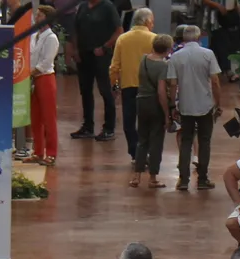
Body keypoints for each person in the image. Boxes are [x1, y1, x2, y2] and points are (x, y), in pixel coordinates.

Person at [165, 26, 222, 192]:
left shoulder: (175, 57)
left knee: (186, 141)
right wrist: (217, 103)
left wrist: (172, 105)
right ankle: (202, 179)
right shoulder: (208, 54)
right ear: (199, 38)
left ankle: (183, 180)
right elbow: (215, 81)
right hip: (205, 105)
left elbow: (173, 84)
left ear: (183, 39)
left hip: (185, 105)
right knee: (204, 142)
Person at [69, 0, 123, 141]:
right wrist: (75, 49)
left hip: (102, 55)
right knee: (85, 90)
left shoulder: (108, 7)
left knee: (106, 91)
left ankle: (109, 128)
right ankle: (88, 127)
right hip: (83, 54)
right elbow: (75, 29)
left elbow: (119, 31)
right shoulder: (82, 7)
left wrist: (105, 47)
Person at [109, 7, 156, 163]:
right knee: (148, 121)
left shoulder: (123, 39)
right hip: (149, 86)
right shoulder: (154, 39)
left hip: (128, 85)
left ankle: (135, 152)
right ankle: (147, 151)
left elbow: (114, 66)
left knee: (129, 121)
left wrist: (114, 84)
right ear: (148, 21)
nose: (153, 25)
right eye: (152, 22)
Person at [130, 34, 174, 189]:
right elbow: (161, 91)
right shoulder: (164, 66)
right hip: (154, 104)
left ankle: (136, 176)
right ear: (168, 49)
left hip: (141, 101)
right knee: (156, 141)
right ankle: (153, 177)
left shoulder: (144, 60)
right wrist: (167, 113)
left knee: (142, 140)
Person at [28, 4, 60, 167]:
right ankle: (38, 151)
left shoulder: (51, 38)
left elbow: (46, 61)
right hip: (33, 79)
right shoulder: (35, 36)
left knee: (48, 118)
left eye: (39, 15)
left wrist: (32, 73)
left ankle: (52, 153)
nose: (36, 17)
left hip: (45, 78)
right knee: (35, 117)